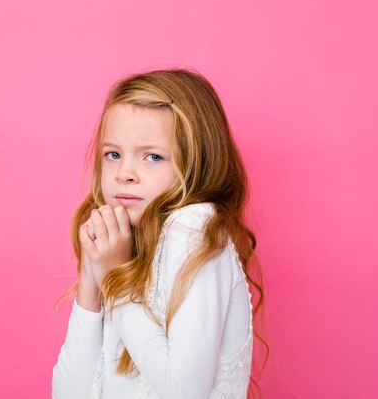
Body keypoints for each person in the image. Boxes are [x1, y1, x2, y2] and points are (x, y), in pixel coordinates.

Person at [52, 69, 266, 398]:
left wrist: (112, 278)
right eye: (113, 154)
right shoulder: (129, 244)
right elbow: (68, 394)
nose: (124, 173)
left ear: (196, 163)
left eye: (153, 157)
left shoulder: (194, 228)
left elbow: (183, 392)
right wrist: (93, 280)